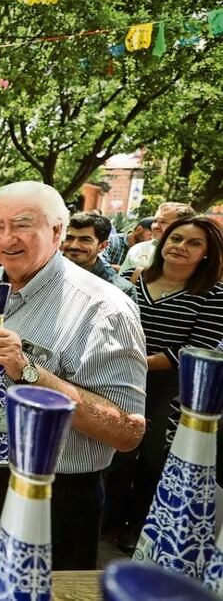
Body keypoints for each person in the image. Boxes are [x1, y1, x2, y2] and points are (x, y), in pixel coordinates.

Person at [0, 181, 146, 572]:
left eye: (21, 224)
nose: (6, 238)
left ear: (57, 231)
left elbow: (128, 431)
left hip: (47, 501)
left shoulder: (104, 308)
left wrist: (29, 371)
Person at [118, 216, 223, 552]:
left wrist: (140, 364)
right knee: (117, 452)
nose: (181, 247)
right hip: (123, 380)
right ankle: (110, 518)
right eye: (176, 239)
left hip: (171, 389)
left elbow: (196, 347)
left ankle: (138, 526)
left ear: (206, 254)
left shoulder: (214, 293)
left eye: (194, 243)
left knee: (152, 459)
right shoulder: (137, 280)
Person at [61, 213, 135, 296]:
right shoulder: (47, 273)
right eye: (69, 238)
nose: (74, 246)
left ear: (102, 246)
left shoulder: (119, 290)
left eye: (85, 240)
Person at [119, 202, 195, 275]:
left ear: (184, 225)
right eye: (155, 221)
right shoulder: (138, 249)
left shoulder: (192, 255)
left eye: (163, 222)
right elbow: (121, 283)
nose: (155, 226)